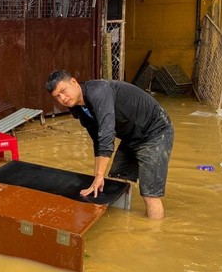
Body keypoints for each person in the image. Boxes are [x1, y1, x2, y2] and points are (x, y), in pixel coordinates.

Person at [45, 70, 174, 219]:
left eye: (63, 90)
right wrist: (96, 177)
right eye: (57, 96)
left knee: (149, 194)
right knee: (115, 182)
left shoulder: (99, 92)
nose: (63, 98)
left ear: (73, 82)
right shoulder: (78, 108)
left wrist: (100, 176)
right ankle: (120, 223)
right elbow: (98, 140)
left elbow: (107, 135)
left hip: (156, 132)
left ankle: (154, 233)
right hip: (132, 136)